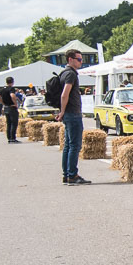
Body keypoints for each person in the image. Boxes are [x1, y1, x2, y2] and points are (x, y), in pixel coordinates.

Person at [56, 49, 90, 185]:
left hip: (69, 113)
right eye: (79, 59)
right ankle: (72, 175)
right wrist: (63, 111)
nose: (81, 62)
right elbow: (65, 94)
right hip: (72, 113)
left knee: (68, 145)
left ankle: (67, 174)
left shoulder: (63, 73)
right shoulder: (70, 74)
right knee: (75, 145)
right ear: (70, 59)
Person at [0, 77, 20, 143]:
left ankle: (9, 138)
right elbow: (12, 95)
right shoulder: (11, 88)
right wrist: (15, 103)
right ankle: (12, 138)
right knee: (14, 123)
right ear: (12, 82)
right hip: (11, 107)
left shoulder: (3, 89)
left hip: (6, 107)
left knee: (8, 123)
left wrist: (2, 102)